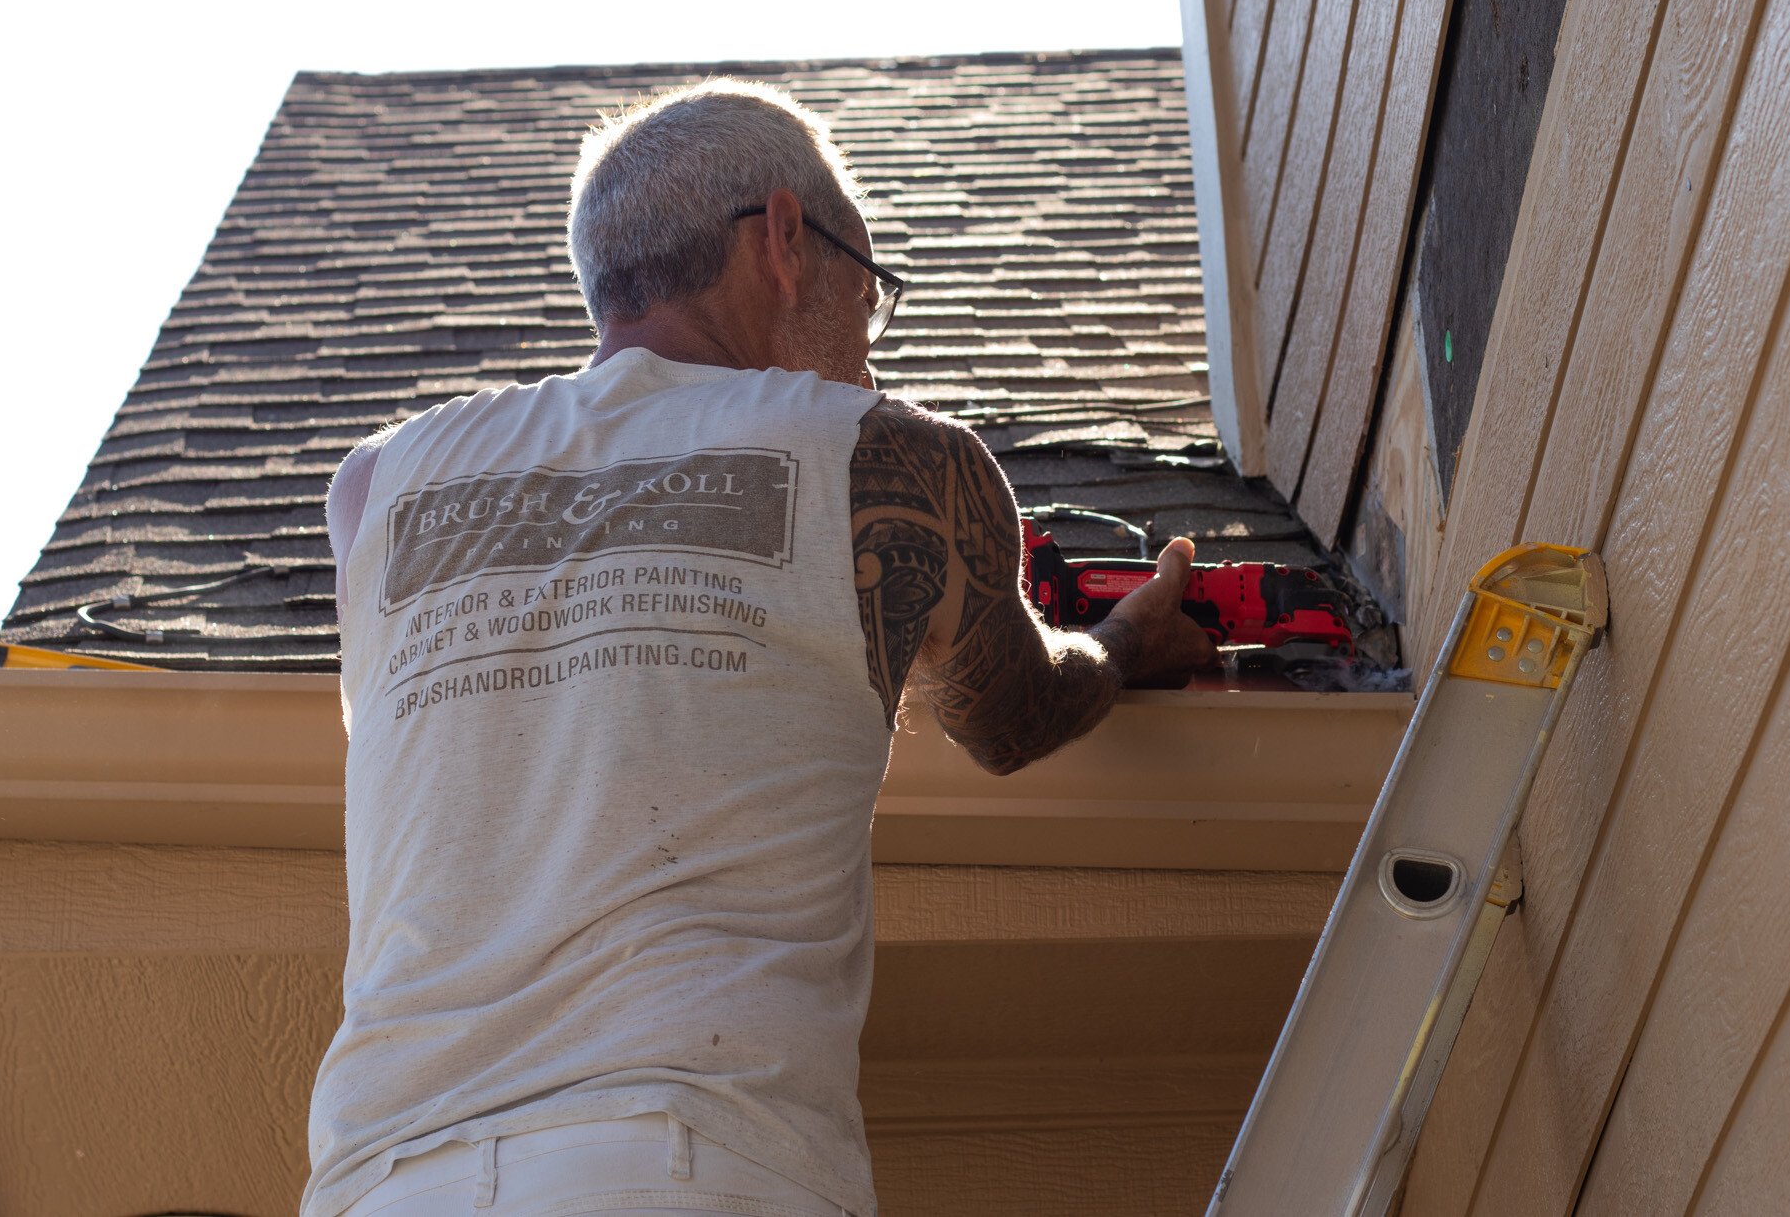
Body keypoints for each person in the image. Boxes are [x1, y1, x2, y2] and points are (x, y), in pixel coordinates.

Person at [303, 78, 1217, 1217]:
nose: (867, 357)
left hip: (384, 1177)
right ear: (784, 236)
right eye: (867, 291)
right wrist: (1128, 638)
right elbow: (1008, 715)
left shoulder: (376, 487)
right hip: (690, 1159)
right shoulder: (890, 459)